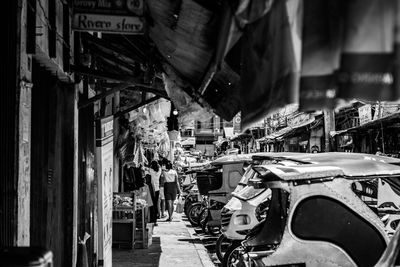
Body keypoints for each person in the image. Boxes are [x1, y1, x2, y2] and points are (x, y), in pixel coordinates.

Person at [149, 161, 161, 225]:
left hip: (152, 189)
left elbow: (147, 169)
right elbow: (159, 167)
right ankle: (155, 220)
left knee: (151, 204)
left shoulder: (150, 171)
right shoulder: (159, 171)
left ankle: (151, 219)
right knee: (155, 204)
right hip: (157, 189)